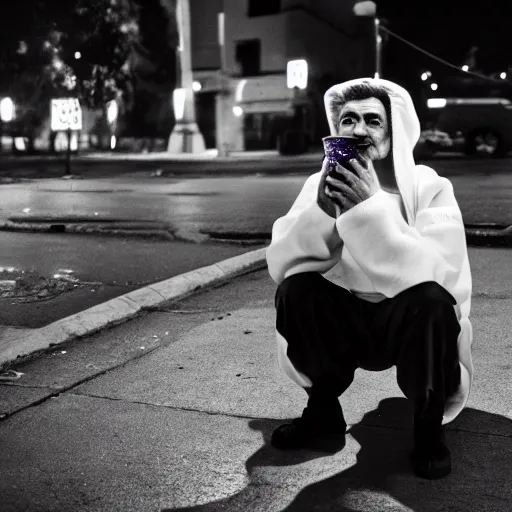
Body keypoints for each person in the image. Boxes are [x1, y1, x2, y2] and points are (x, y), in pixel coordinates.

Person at [265, 78, 473, 480]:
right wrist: (323, 212)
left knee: (433, 303)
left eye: (372, 121)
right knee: (297, 289)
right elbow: (284, 263)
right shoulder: (318, 184)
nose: (358, 130)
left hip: (408, 322)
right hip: (350, 319)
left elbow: (442, 278)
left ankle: (428, 431)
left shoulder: (429, 186)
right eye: (348, 120)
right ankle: (322, 414)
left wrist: (371, 209)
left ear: (393, 130)